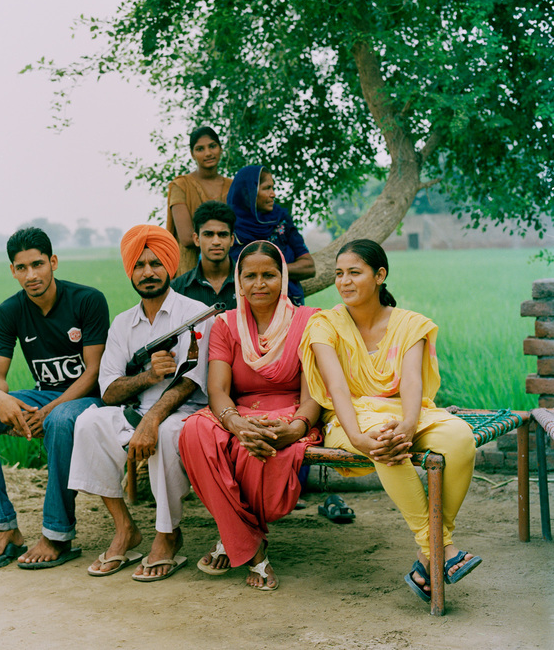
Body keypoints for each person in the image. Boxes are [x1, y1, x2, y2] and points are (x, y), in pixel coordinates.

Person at [299, 239, 480, 604]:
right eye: (338, 274)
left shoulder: (410, 324)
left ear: (380, 275)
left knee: (460, 437)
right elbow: (335, 388)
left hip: (404, 413)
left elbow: (413, 382)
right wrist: (359, 437)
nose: (344, 281)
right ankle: (440, 548)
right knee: (384, 442)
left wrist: (410, 425)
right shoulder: (324, 325)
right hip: (348, 420)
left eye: (355, 272)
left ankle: (426, 559)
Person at [0, 227, 109, 570]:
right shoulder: (9, 311)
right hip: (44, 398)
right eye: (21, 267)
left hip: (89, 399)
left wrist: (50, 410)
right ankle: (2, 528)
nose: (31, 274)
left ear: (53, 262)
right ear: (13, 270)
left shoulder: (87, 299)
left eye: (38, 264)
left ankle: (57, 534)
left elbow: (93, 373)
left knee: (59, 418)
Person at [68, 225, 212, 581]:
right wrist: (148, 377)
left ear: (170, 267)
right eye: (139, 265)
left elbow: (192, 382)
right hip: (138, 412)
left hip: (188, 413)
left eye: (156, 263)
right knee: (88, 424)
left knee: (164, 434)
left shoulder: (199, 315)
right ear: (130, 271)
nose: (148, 272)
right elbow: (109, 390)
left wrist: (153, 420)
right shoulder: (122, 324)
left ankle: (167, 535)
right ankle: (124, 529)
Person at [179, 241, 322, 591]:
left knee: (257, 449)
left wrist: (296, 428)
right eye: (250, 276)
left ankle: (232, 538)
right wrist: (236, 423)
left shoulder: (309, 322)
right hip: (237, 412)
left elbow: (315, 392)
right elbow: (217, 391)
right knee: (193, 431)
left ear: (283, 278)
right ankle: (253, 549)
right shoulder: (226, 325)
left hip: (290, 412)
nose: (259, 284)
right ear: (238, 282)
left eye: (269, 275)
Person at [226, 165, 315, 305]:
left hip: (289, 305)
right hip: (245, 308)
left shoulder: (281, 220)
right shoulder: (229, 227)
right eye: (267, 188)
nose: (273, 194)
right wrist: (282, 268)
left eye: (273, 188)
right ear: (249, 192)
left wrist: (271, 270)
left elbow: (309, 267)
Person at [166, 126, 233, 276]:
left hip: (228, 271)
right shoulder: (181, 186)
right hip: (189, 272)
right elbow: (187, 238)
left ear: (221, 149)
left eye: (212, 146)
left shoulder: (233, 187)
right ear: (192, 154)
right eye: (200, 149)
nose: (208, 153)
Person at [171, 200, 237, 310]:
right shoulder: (178, 289)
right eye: (208, 234)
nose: (216, 241)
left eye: (222, 234)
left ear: (231, 240)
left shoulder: (248, 283)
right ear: (196, 239)